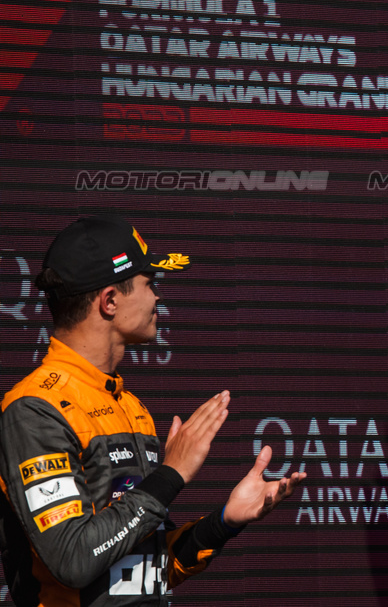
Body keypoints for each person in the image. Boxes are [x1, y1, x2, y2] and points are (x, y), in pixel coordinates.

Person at [0, 215, 305, 606]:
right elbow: (74, 559)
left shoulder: (130, 406)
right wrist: (171, 474)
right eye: (150, 283)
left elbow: (146, 566)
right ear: (109, 301)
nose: (158, 297)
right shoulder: (35, 409)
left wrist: (224, 521)